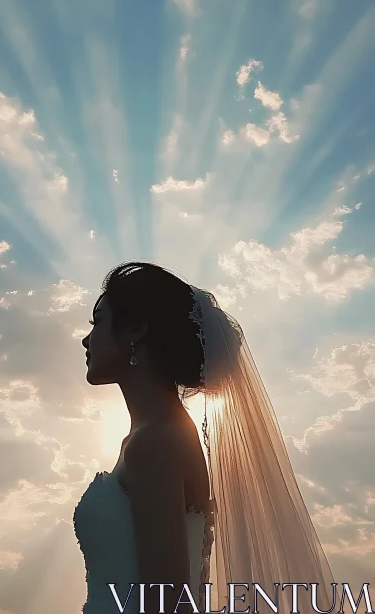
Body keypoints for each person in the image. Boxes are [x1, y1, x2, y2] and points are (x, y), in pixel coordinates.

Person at [73, 261, 335, 614]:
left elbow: (166, 603)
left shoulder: (155, 442)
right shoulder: (155, 435)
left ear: (136, 329)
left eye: (98, 322)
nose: (86, 339)